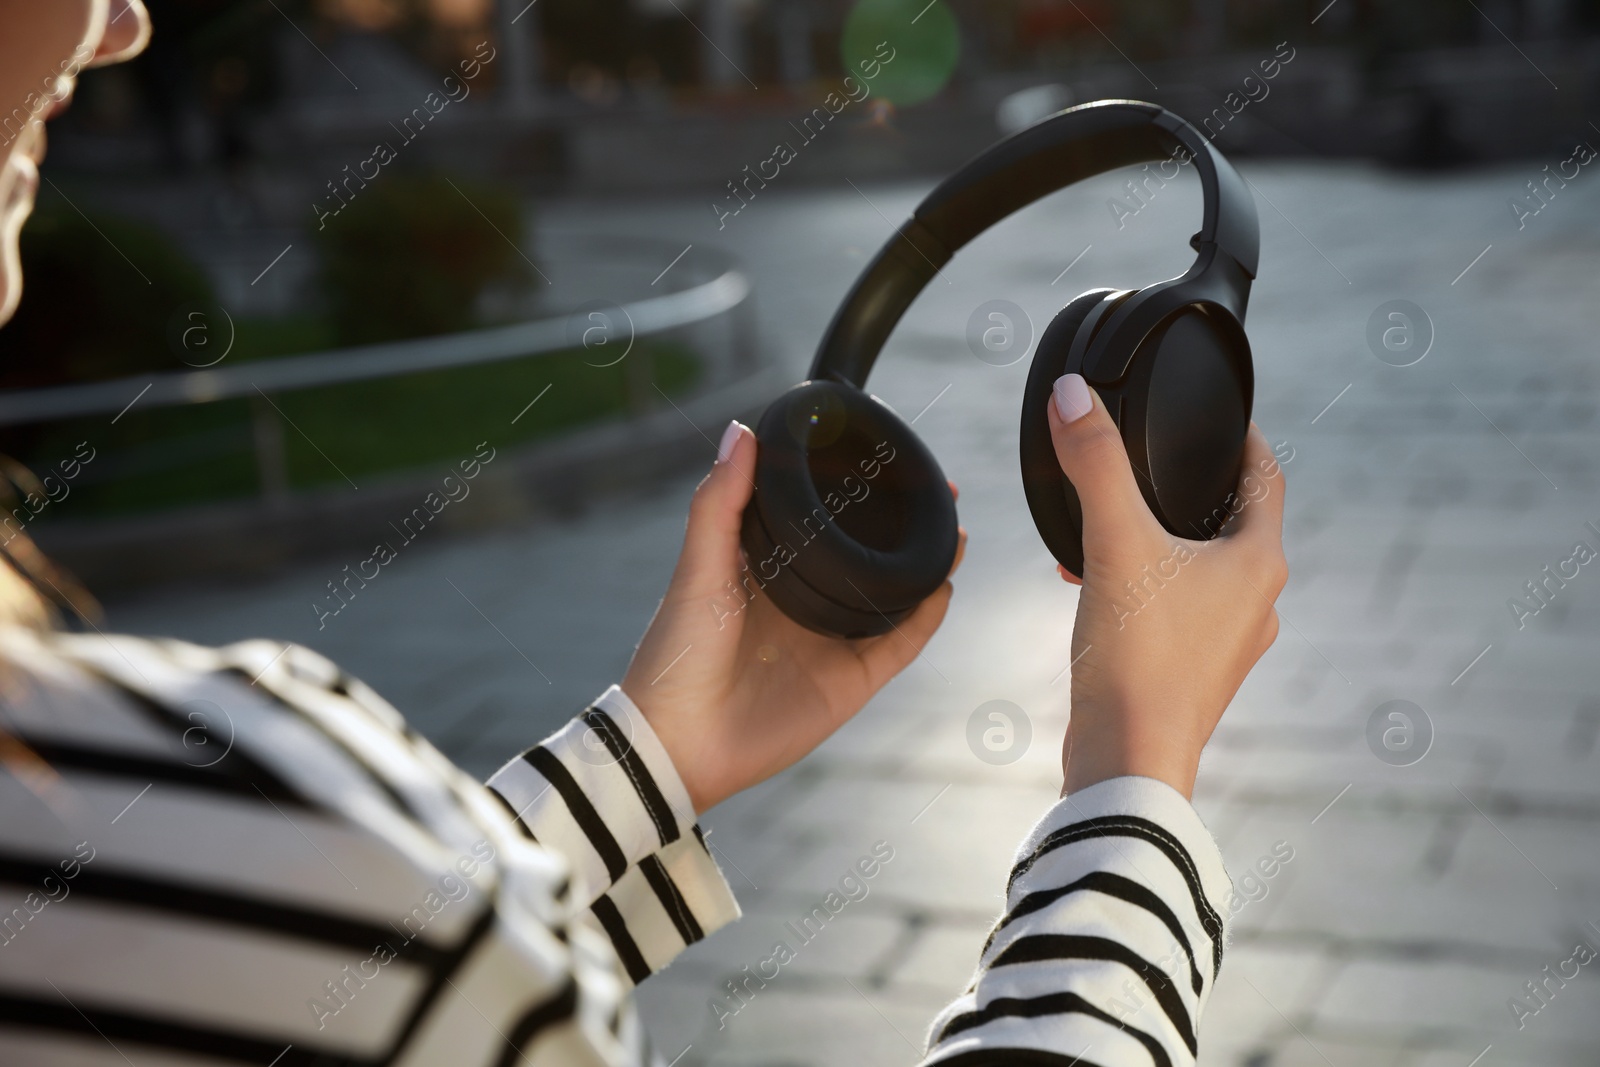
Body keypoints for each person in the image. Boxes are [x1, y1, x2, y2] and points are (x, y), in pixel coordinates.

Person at [0, 2, 1289, 1064]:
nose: (122, 22)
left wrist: (654, 759)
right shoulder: (217, 795)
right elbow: (364, 968)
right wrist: (1136, 777)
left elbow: (324, 1006)